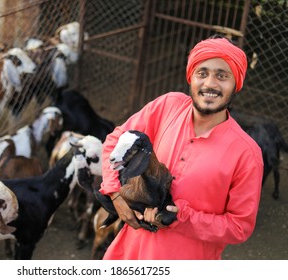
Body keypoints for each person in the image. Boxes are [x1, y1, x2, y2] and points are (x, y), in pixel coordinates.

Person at [99, 35, 264, 260]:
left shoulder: (246, 153)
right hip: (130, 253)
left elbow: (239, 226)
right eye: (202, 73)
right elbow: (115, 141)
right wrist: (115, 194)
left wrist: (182, 218)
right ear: (191, 77)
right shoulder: (167, 106)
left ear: (237, 84)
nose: (210, 84)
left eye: (222, 76)